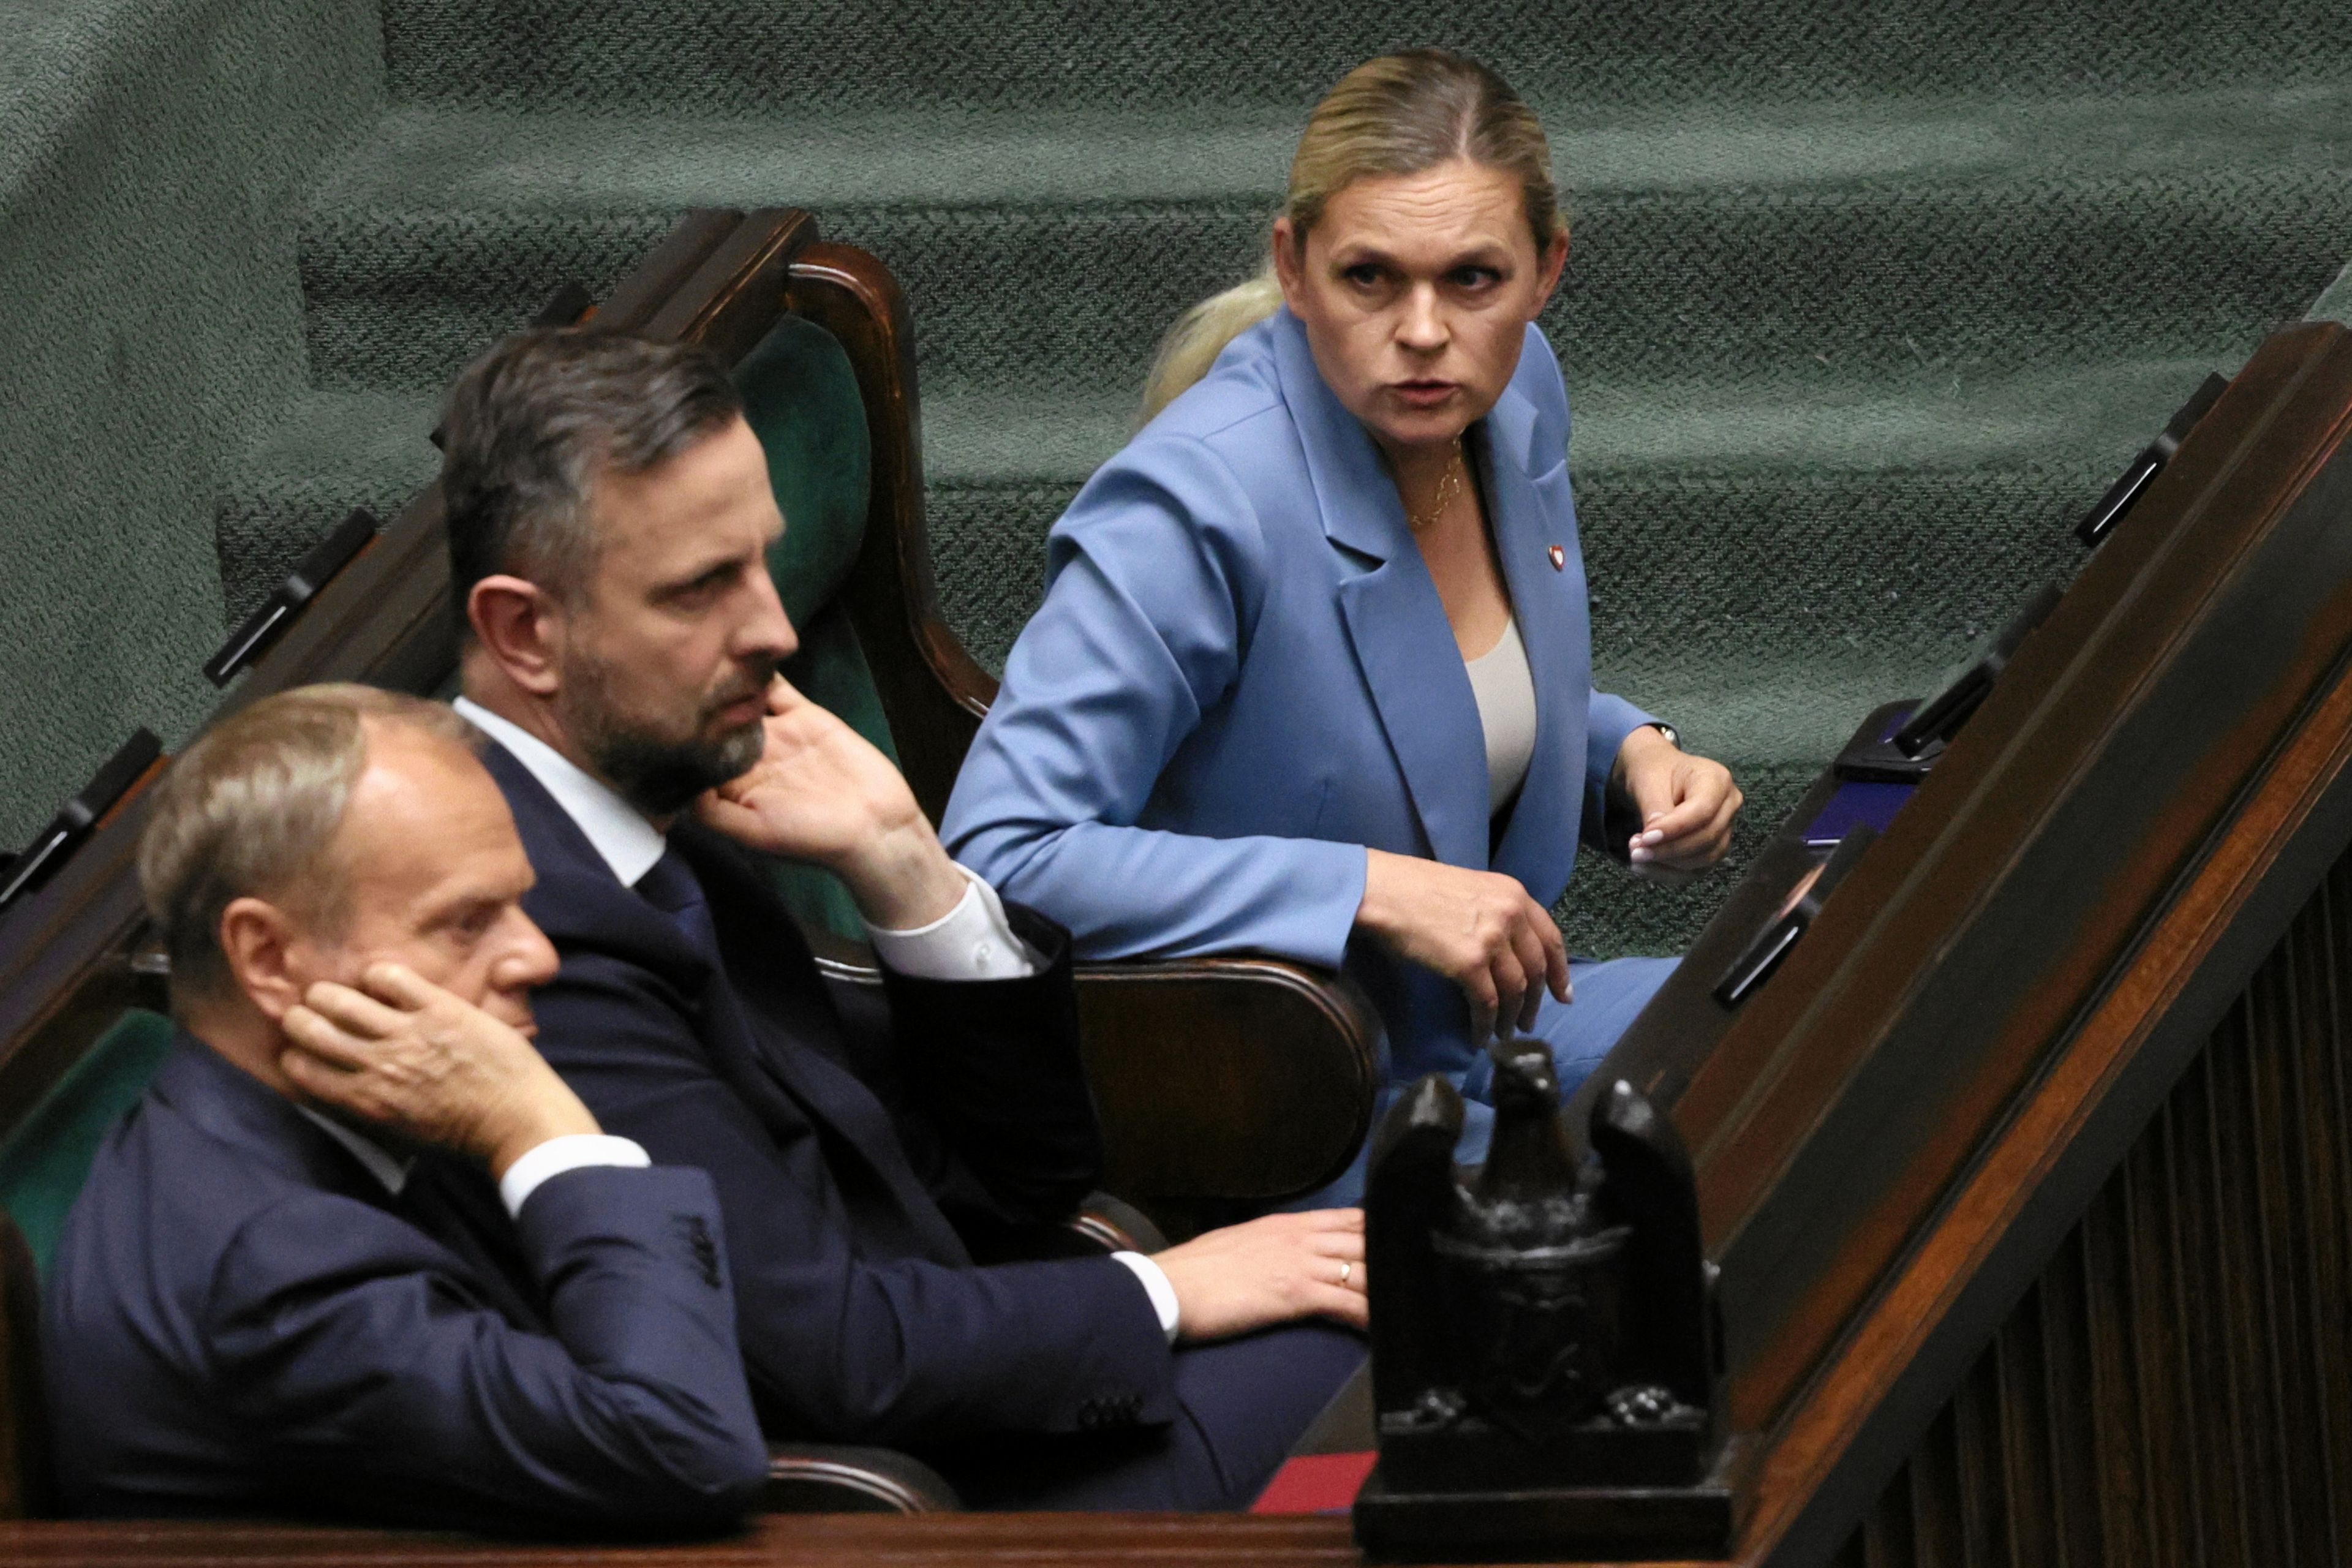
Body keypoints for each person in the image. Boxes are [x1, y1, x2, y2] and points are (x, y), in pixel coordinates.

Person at [436, 326, 1368, 1510]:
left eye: (762, 563)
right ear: (526, 633)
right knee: (1416, 1358)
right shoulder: (517, 933)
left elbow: (1012, 1182)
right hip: (886, 1504)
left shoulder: (643, 801)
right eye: (700, 588)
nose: (774, 629)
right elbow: (830, 1360)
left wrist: (906, 873)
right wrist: (1174, 1291)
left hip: (968, 1384)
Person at [941, 50, 1743, 1199]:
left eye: (1474, 279)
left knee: (1812, 1020)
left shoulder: (1512, 395)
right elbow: (1001, 856)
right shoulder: (1197, 502)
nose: (1424, 331)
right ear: (1295, 266)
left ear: (1545, 273)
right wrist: (1367, 888)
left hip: (1472, 1051)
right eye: (1371, 278)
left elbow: (1439, 699)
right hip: (1288, 1094)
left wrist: (1627, 756)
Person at [44, 685, 768, 1531]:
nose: (537, 955)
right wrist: (545, 1130)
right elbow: (684, 1446)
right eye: (467, 923)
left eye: (521, 904)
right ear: (269, 958)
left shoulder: (298, 1131)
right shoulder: (275, 1264)